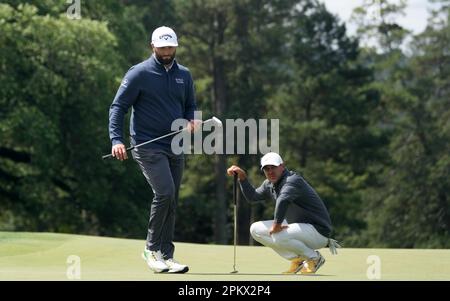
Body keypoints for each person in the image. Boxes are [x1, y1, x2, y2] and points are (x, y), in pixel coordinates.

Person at [109, 26, 200, 273]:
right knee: (165, 192)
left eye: (170, 47)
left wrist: (192, 119)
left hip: (175, 145)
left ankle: (166, 255)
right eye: (162, 48)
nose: (167, 52)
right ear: (153, 47)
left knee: (172, 200)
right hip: (147, 145)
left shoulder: (185, 74)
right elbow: (118, 107)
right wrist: (116, 139)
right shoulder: (139, 73)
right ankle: (151, 250)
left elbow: (191, 104)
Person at [226, 152, 340, 274]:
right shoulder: (269, 184)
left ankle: (314, 258)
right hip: (299, 228)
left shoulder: (292, 180)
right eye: (266, 169)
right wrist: (242, 178)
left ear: (282, 166)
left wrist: (276, 225)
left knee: (278, 235)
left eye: (273, 167)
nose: (270, 172)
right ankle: (299, 259)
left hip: (318, 232)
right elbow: (253, 196)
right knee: (255, 229)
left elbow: (283, 199)